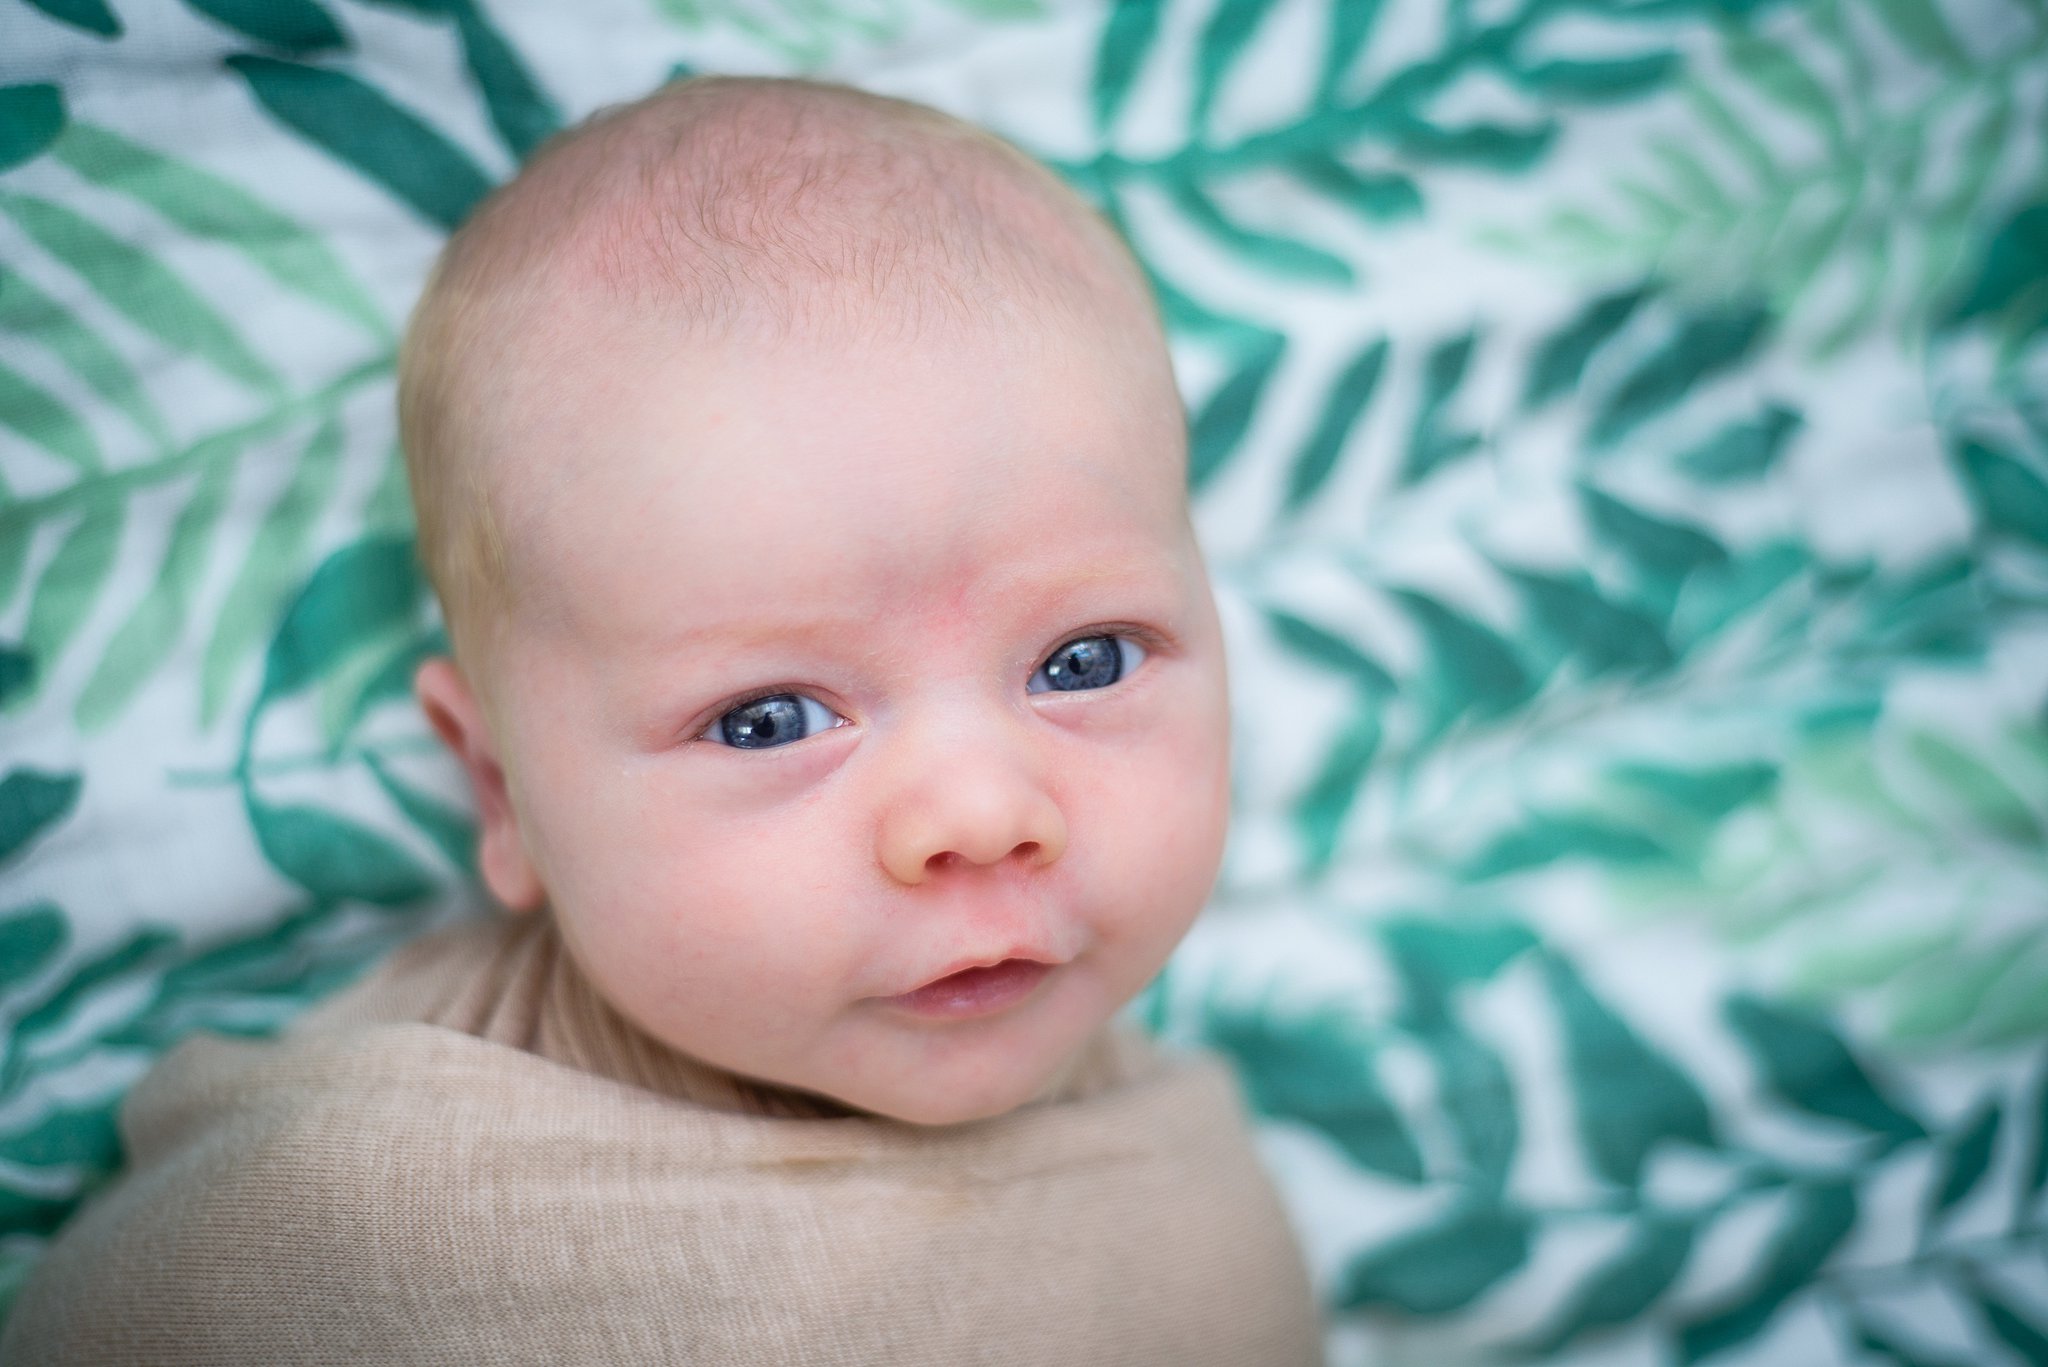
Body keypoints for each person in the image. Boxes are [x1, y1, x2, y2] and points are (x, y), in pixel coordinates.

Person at [1, 76, 1323, 1365]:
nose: (982, 813)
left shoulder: (1181, 1172)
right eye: (767, 722)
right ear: (501, 791)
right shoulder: (349, 1222)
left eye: (1084, 662)